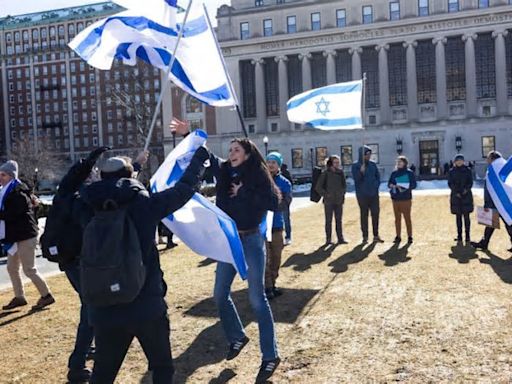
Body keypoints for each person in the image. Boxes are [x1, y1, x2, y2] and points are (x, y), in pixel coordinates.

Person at [79, 148, 208, 384]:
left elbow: (71, 189)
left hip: (103, 307)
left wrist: (87, 165)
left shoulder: (86, 205)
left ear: (102, 176)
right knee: (161, 368)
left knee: (103, 375)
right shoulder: (144, 205)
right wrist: (199, 160)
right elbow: (183, 190)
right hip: (145, 304)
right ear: (129, 177)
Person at [171, 116, 281, 384]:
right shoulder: (224, 172)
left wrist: (244, 191)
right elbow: (205, 156)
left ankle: (270, 355)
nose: (231, 154)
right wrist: (189, 135)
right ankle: (237, 336)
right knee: (219, 294)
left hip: (252, 240)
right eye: (230, 150)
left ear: (247, 155)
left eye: (236, 150)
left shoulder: (258, 176)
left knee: (257, 299)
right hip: (229, 242)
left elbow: (276, 202)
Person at [0, 160, 55, 311]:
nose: (0, 177)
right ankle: (19, 297)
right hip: (14, 236)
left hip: (25, 235)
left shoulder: (18, 191)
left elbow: (16, 212)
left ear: (11, 176)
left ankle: (46, 296)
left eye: (3, 175)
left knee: (29, 269)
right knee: (12, 268)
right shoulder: (6, 190)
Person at [471, 151, 512, 252]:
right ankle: (484, 243)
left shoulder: (494, 168)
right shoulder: (498, 167)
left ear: (492, 158)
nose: (487, 160)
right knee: (491, 225)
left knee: (509, 224)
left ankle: (484, 243)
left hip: (501, 202)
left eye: (488, 158)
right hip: (497, 202)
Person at [265, 153, 292, 300]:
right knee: (266, 258)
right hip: (262, 226)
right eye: (268, 162)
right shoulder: (261, 179)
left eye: (273, 162)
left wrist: (272, 203)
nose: (270, 165)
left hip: (276, 226)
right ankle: (267, 287)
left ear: (279, 165)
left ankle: (273, 284)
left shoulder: (285, 183)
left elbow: (285, 203)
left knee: (276, 257)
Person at [351, 146, 383, 243]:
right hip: (362, 195)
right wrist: (361, 172)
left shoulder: (373, 165)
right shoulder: (355, 166)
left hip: (373, 194)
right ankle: (365, 236)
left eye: (369, 154)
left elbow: (378, 177)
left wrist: (375, 186)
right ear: (362, 155)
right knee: (364, 215)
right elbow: (356, 179)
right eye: (366, 155)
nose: (368, 156)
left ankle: (376, 235)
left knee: (375, 214)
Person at [316, 155, 347, 245]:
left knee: (339, 220)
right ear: (331, 163)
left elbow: (344, 185)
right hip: (329, 201)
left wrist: (342, 193)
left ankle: (340, 239)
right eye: (335, 162)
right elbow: (318, 187)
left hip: (339, 200)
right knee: (328, 221)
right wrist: (326, 194)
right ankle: (328, 240)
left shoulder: (340, 173)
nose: (337, 164)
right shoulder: (325, 173)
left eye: (338, 162)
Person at [388, 156, 417, 244]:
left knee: (407, 218)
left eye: (400, 162)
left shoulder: (409, 173)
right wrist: (392, 186)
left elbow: (414, 185)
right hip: (395, 198)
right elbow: (389, 183)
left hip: (406, 199)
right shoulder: (394, 173)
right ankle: (398, 236)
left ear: (405, 163)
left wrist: (405, 186)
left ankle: (410, 236)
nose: (399, 163)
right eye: (397, 162)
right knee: (397, 219)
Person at [448, 154, 474, 244]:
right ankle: (459, 235)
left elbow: (470, 182)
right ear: (455, 162)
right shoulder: (451, 171)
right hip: (456, 196)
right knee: (458, 217)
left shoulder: (467, 170)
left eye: (461, 160)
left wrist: (465, 190)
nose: (459, 162)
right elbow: (450, 183)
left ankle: (467, 235)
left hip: (466, 196)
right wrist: (456, 192)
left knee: (466, 217)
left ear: (463, 161)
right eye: (457, 160)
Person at [280, 164, 293, 245]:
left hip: (284, 202)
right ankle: (287, 236)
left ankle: (288, 236)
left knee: (286, 219)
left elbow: (289, 187)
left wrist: (286, 202)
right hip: (280, 202)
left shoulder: (284, 179)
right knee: (285, 220)